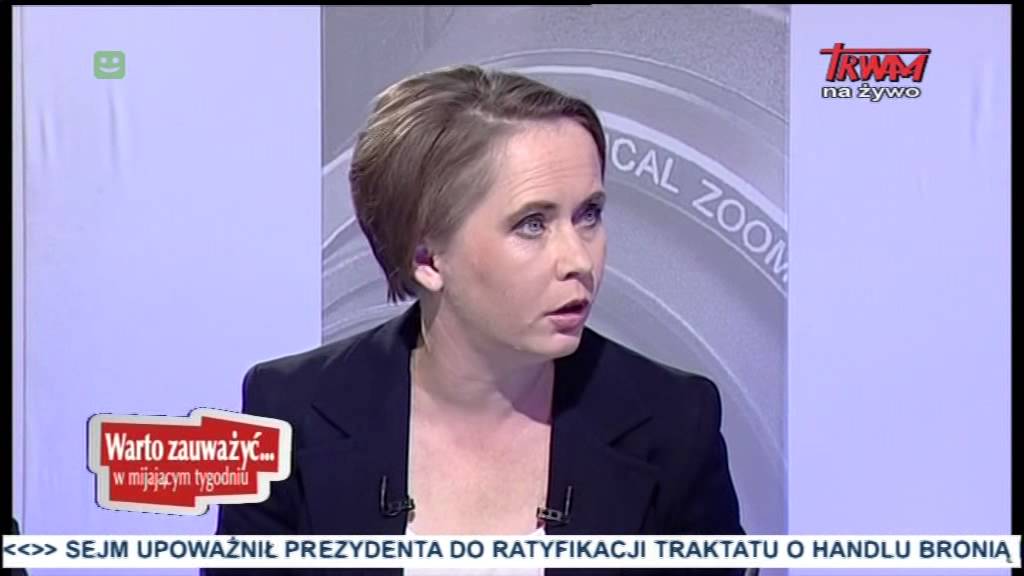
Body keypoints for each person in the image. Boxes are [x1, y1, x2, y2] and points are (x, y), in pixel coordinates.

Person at [206, 64, 745, 576]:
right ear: (427, 259)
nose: (579, 260)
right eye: (532, 224)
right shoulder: (291, 414)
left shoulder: (673, 423)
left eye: (589, 215)